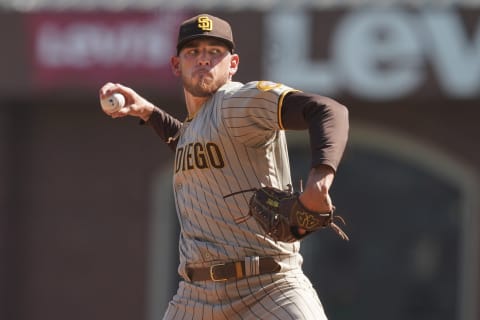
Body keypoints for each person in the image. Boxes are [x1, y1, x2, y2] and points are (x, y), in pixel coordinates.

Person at [99, 13, 349, 320]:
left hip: (270, 289)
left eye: (214, 52)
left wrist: (319, 181)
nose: (203, 59)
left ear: (233, 65)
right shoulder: (197, 126)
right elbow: (191, 143)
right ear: (177, 65)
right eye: (193, 52)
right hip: (195, 297)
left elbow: (328, 111)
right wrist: (148, 112)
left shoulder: (238, 101)